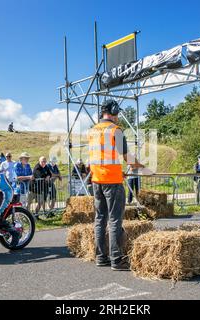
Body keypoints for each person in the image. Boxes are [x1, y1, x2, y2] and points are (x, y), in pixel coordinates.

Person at [88, 99, 143, 271]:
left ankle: (100, 257)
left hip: (97, 180)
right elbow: (126, 157)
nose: (118, 116)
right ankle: (116, 260)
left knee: (100, 219)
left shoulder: (93, 130)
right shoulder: (115, 130)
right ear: (114, 111)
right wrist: (142, 166)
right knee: (114, 220)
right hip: (112, 182)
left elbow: (103, 157)